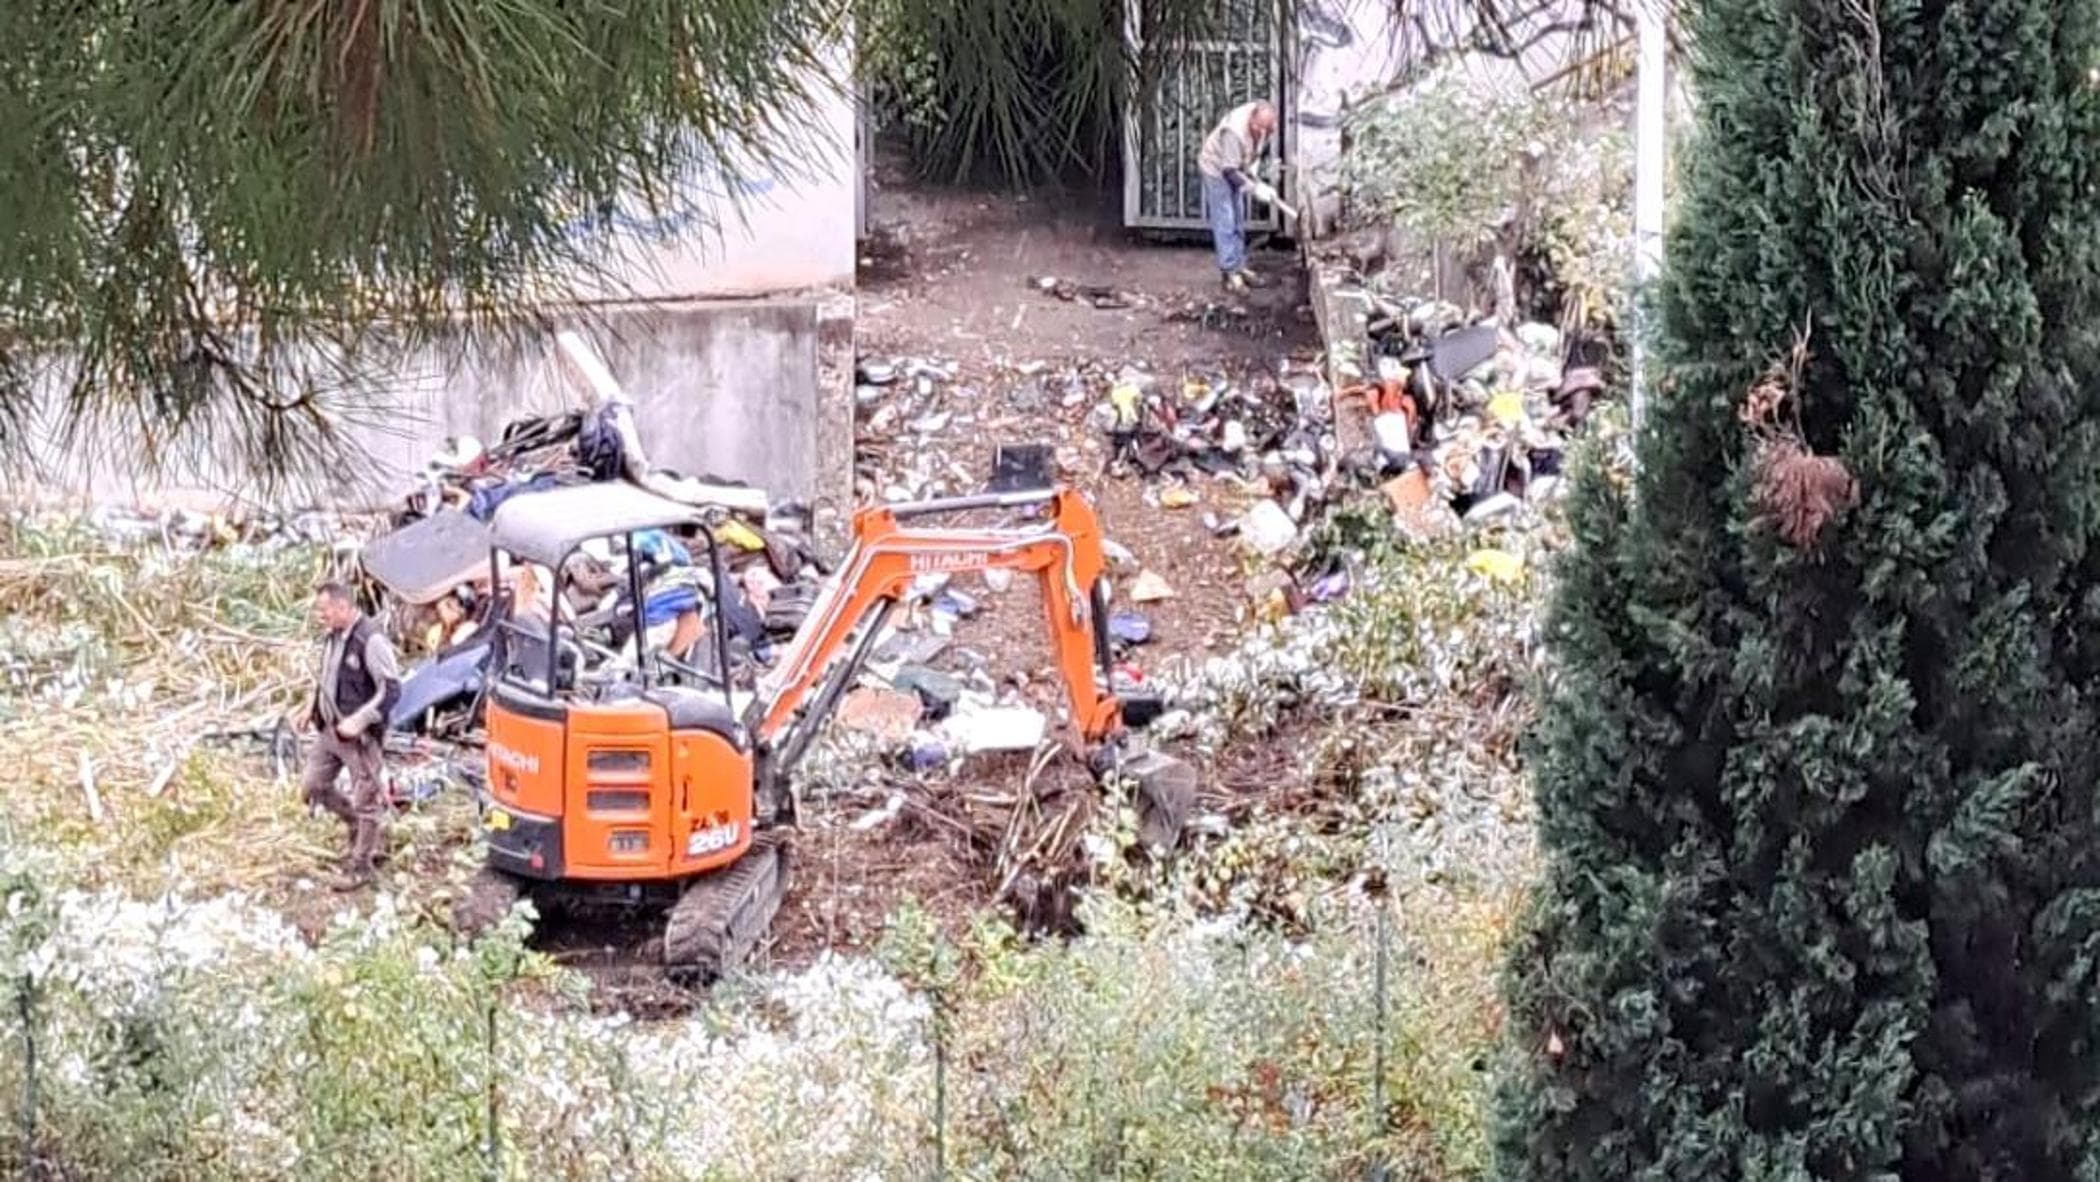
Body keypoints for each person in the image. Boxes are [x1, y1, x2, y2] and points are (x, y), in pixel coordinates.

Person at [301, 581, 401, 889]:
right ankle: (355, 826)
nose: (321, 616)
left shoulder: (370, 641)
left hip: (360, 738)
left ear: (343, 607)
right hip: (330, 730)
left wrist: (360, 721)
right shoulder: (332, 636)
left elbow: (392, 690)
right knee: (313, 786)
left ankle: (361, 866)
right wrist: (309, 707)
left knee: (366, 798)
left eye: (325, 609)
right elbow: (326, 676)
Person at [1198, 100, 1281, 292]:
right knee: (1226, 219)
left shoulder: (1266, 126)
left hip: (1237, 166)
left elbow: (1257, 150)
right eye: (1257, 128)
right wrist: (1254, 189)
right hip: (1216, 168)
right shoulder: (1233, 132)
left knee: (1238, 218)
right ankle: (1229, 272)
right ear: (1251, 119)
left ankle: (1239, 265)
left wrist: (1254, 171)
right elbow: (1229, 171)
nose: (1260, 132)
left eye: (1264, 130)